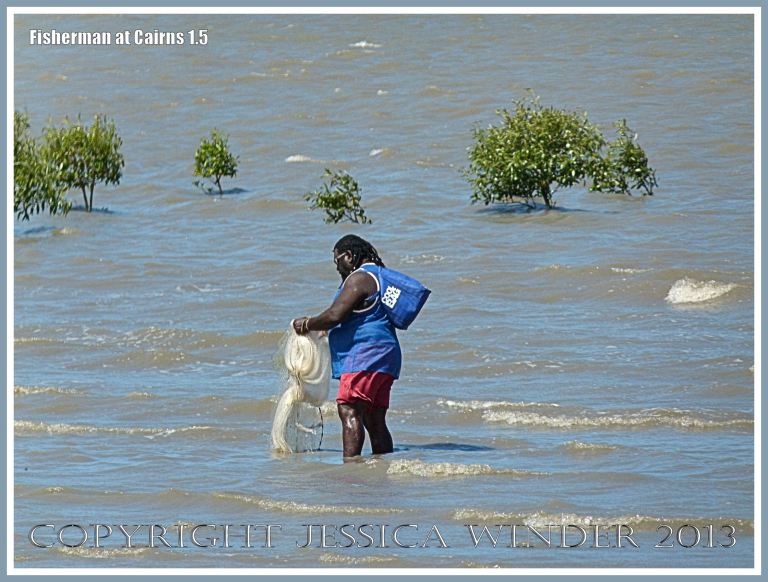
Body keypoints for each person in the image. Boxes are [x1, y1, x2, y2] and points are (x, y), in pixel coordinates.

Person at [293, 234, 401, 459]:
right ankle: (384, 467)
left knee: (349, 409)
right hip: (386, 355)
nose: (337, 267)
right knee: (374, 418)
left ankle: (351, 471)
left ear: (350, 256)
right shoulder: (377, 277)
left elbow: (335, 315)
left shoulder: (359, 278)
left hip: (364, 354)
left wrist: (306, 323)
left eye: (337, 260)